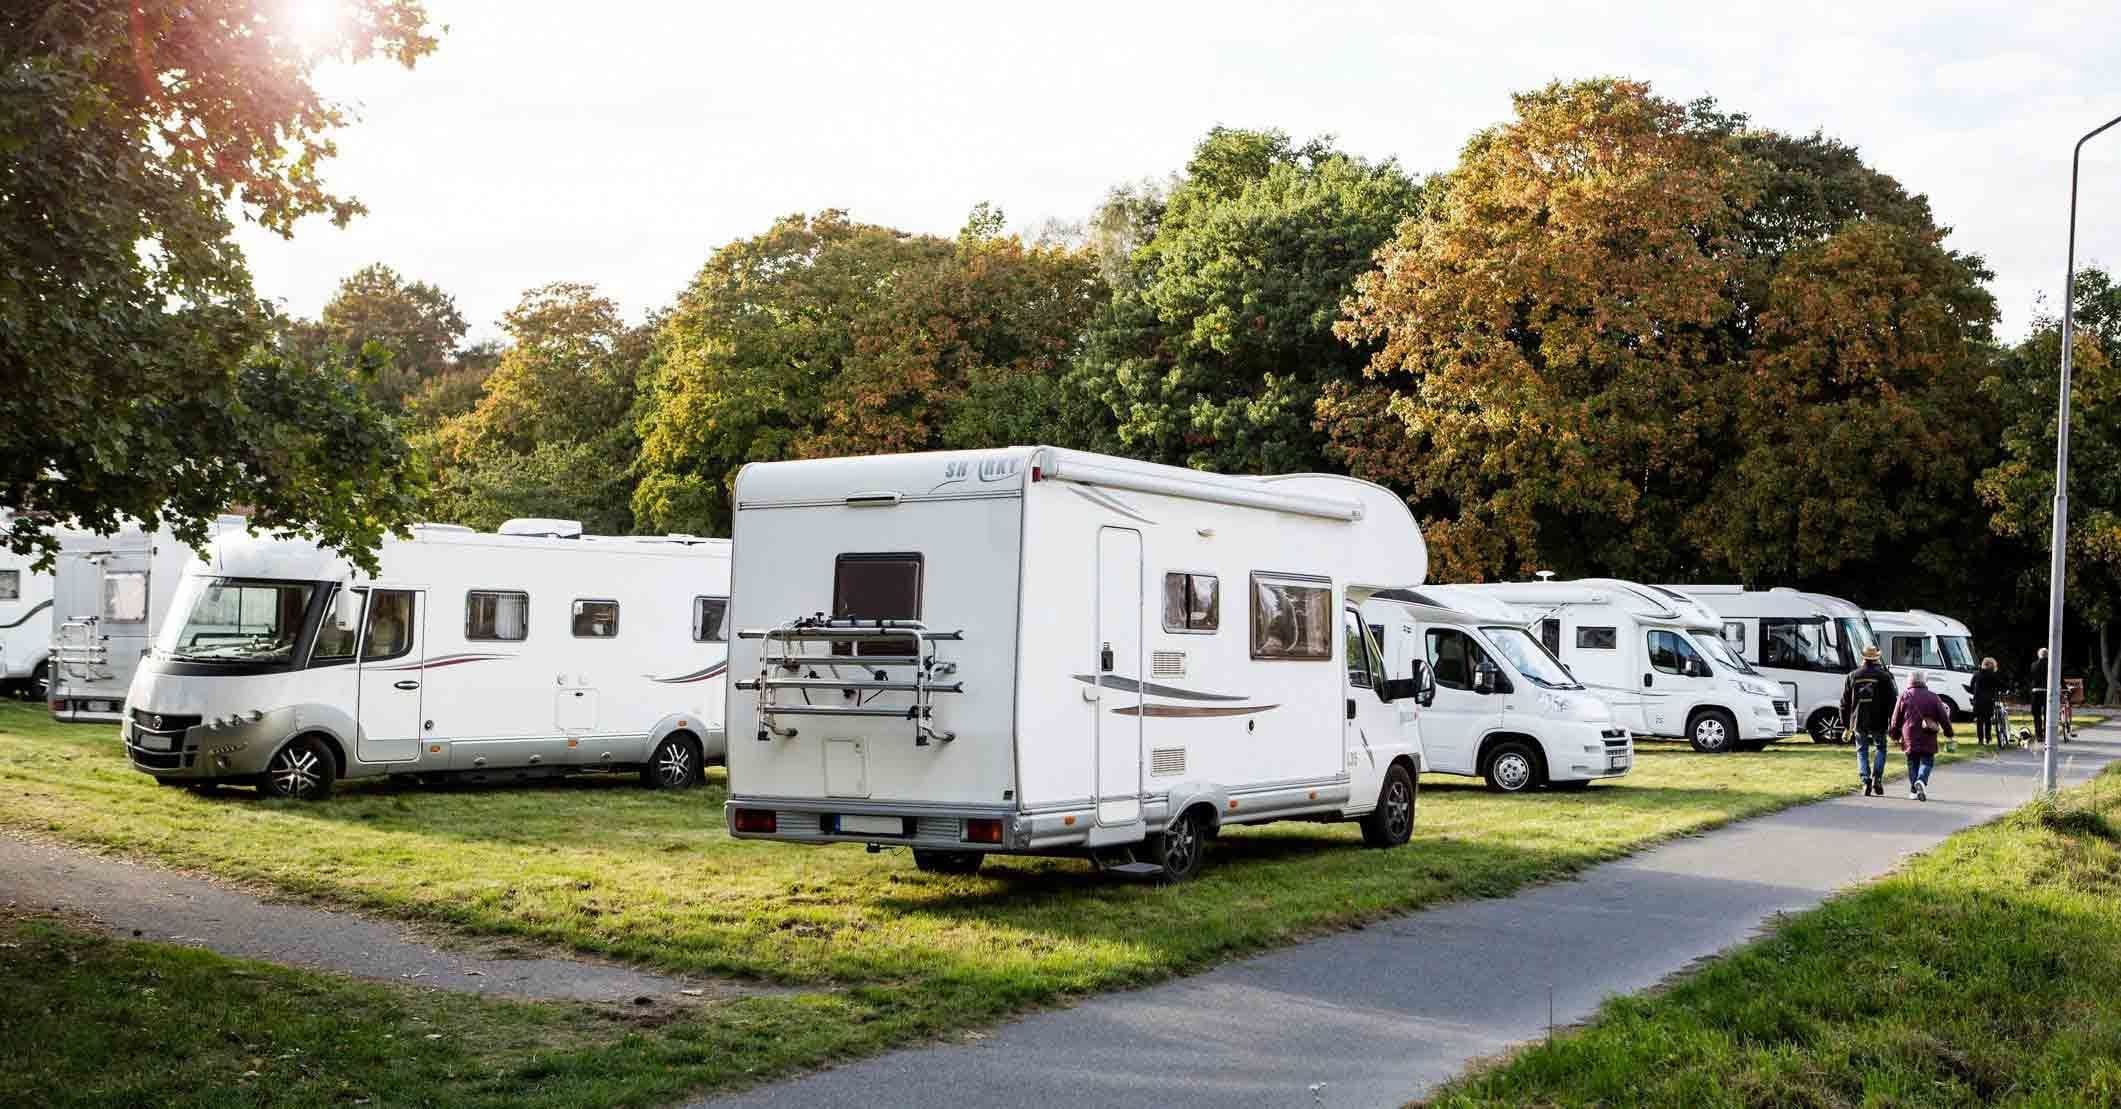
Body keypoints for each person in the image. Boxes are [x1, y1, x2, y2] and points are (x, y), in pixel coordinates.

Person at [1841, 644, 1898, 797]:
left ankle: (1865, 780)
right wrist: (1894, 725)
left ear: (1863, 658)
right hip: (1879, 719)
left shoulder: (1853, 675)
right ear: (1877, 658)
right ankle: (1877, 778)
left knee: (1862, 750)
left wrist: (1846, 725)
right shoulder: (1885, 676)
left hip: (1859, 719)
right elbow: (1892, 702)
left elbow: (1845, 703)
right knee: (1881, 748)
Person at [1889, 670, 1954, 801]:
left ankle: (1914, 790)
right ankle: (1921, 781)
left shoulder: (1904, 696)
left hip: (1909, 735)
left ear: (1910, 681)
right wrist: (1949, 733)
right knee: (1927, 761)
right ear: (1924, 681)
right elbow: (1943, 717)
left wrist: (1894, 735)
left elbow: (1896, 719)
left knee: (1912, 762)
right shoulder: (1933, 697)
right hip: (1928, 735)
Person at [1969, 657, 2003, 747]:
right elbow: (2000, 685)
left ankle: (1980, 740)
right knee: (1987, 720)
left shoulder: (1976, 674)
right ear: (1992, 665)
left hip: (1978, 700)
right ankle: (1988, 738)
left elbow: (1971, 686)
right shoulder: (1993, 675)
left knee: (1979, 721)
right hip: (1988, 700)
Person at [2028, 647, 2050, 743]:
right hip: (2047, 691)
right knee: (2047, 714)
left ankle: (2039, 735)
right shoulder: (2051, 665)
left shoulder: (2033, 665)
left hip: (2036, 691)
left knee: (2036, 714)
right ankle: (2047, 733)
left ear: (2039, 655)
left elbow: (2031, 678)